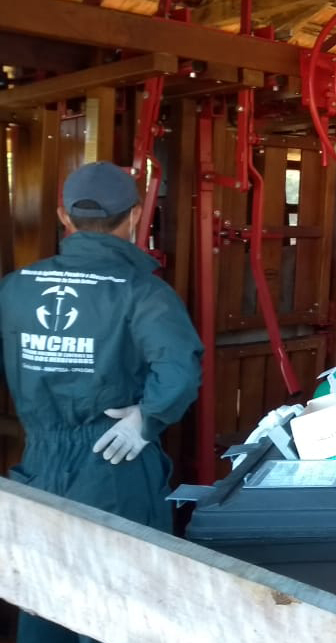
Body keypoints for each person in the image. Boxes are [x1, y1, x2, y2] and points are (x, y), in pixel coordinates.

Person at [0, 162, 202, 643]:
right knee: (123, 607)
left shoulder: (15, 288)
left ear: (62, 216)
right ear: (134, 217)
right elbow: (178, 370)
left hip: (38, 466)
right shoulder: (144, 292)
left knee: (45, 597)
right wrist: (146, 419)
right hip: (115, 462)